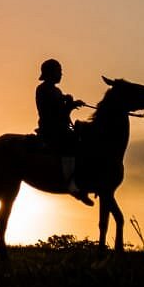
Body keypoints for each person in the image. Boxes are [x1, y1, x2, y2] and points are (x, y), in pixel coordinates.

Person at [35, 58, 93, 206]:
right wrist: (69, 106)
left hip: (60, 127)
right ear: (50, 73)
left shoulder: (55, 90)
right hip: (51, 129)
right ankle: (71, 184)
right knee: (71, 146)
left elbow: (61, 111)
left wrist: (69, 103)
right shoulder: (43, 89)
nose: (61, 74)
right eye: (58, 71)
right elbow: (52, 113)